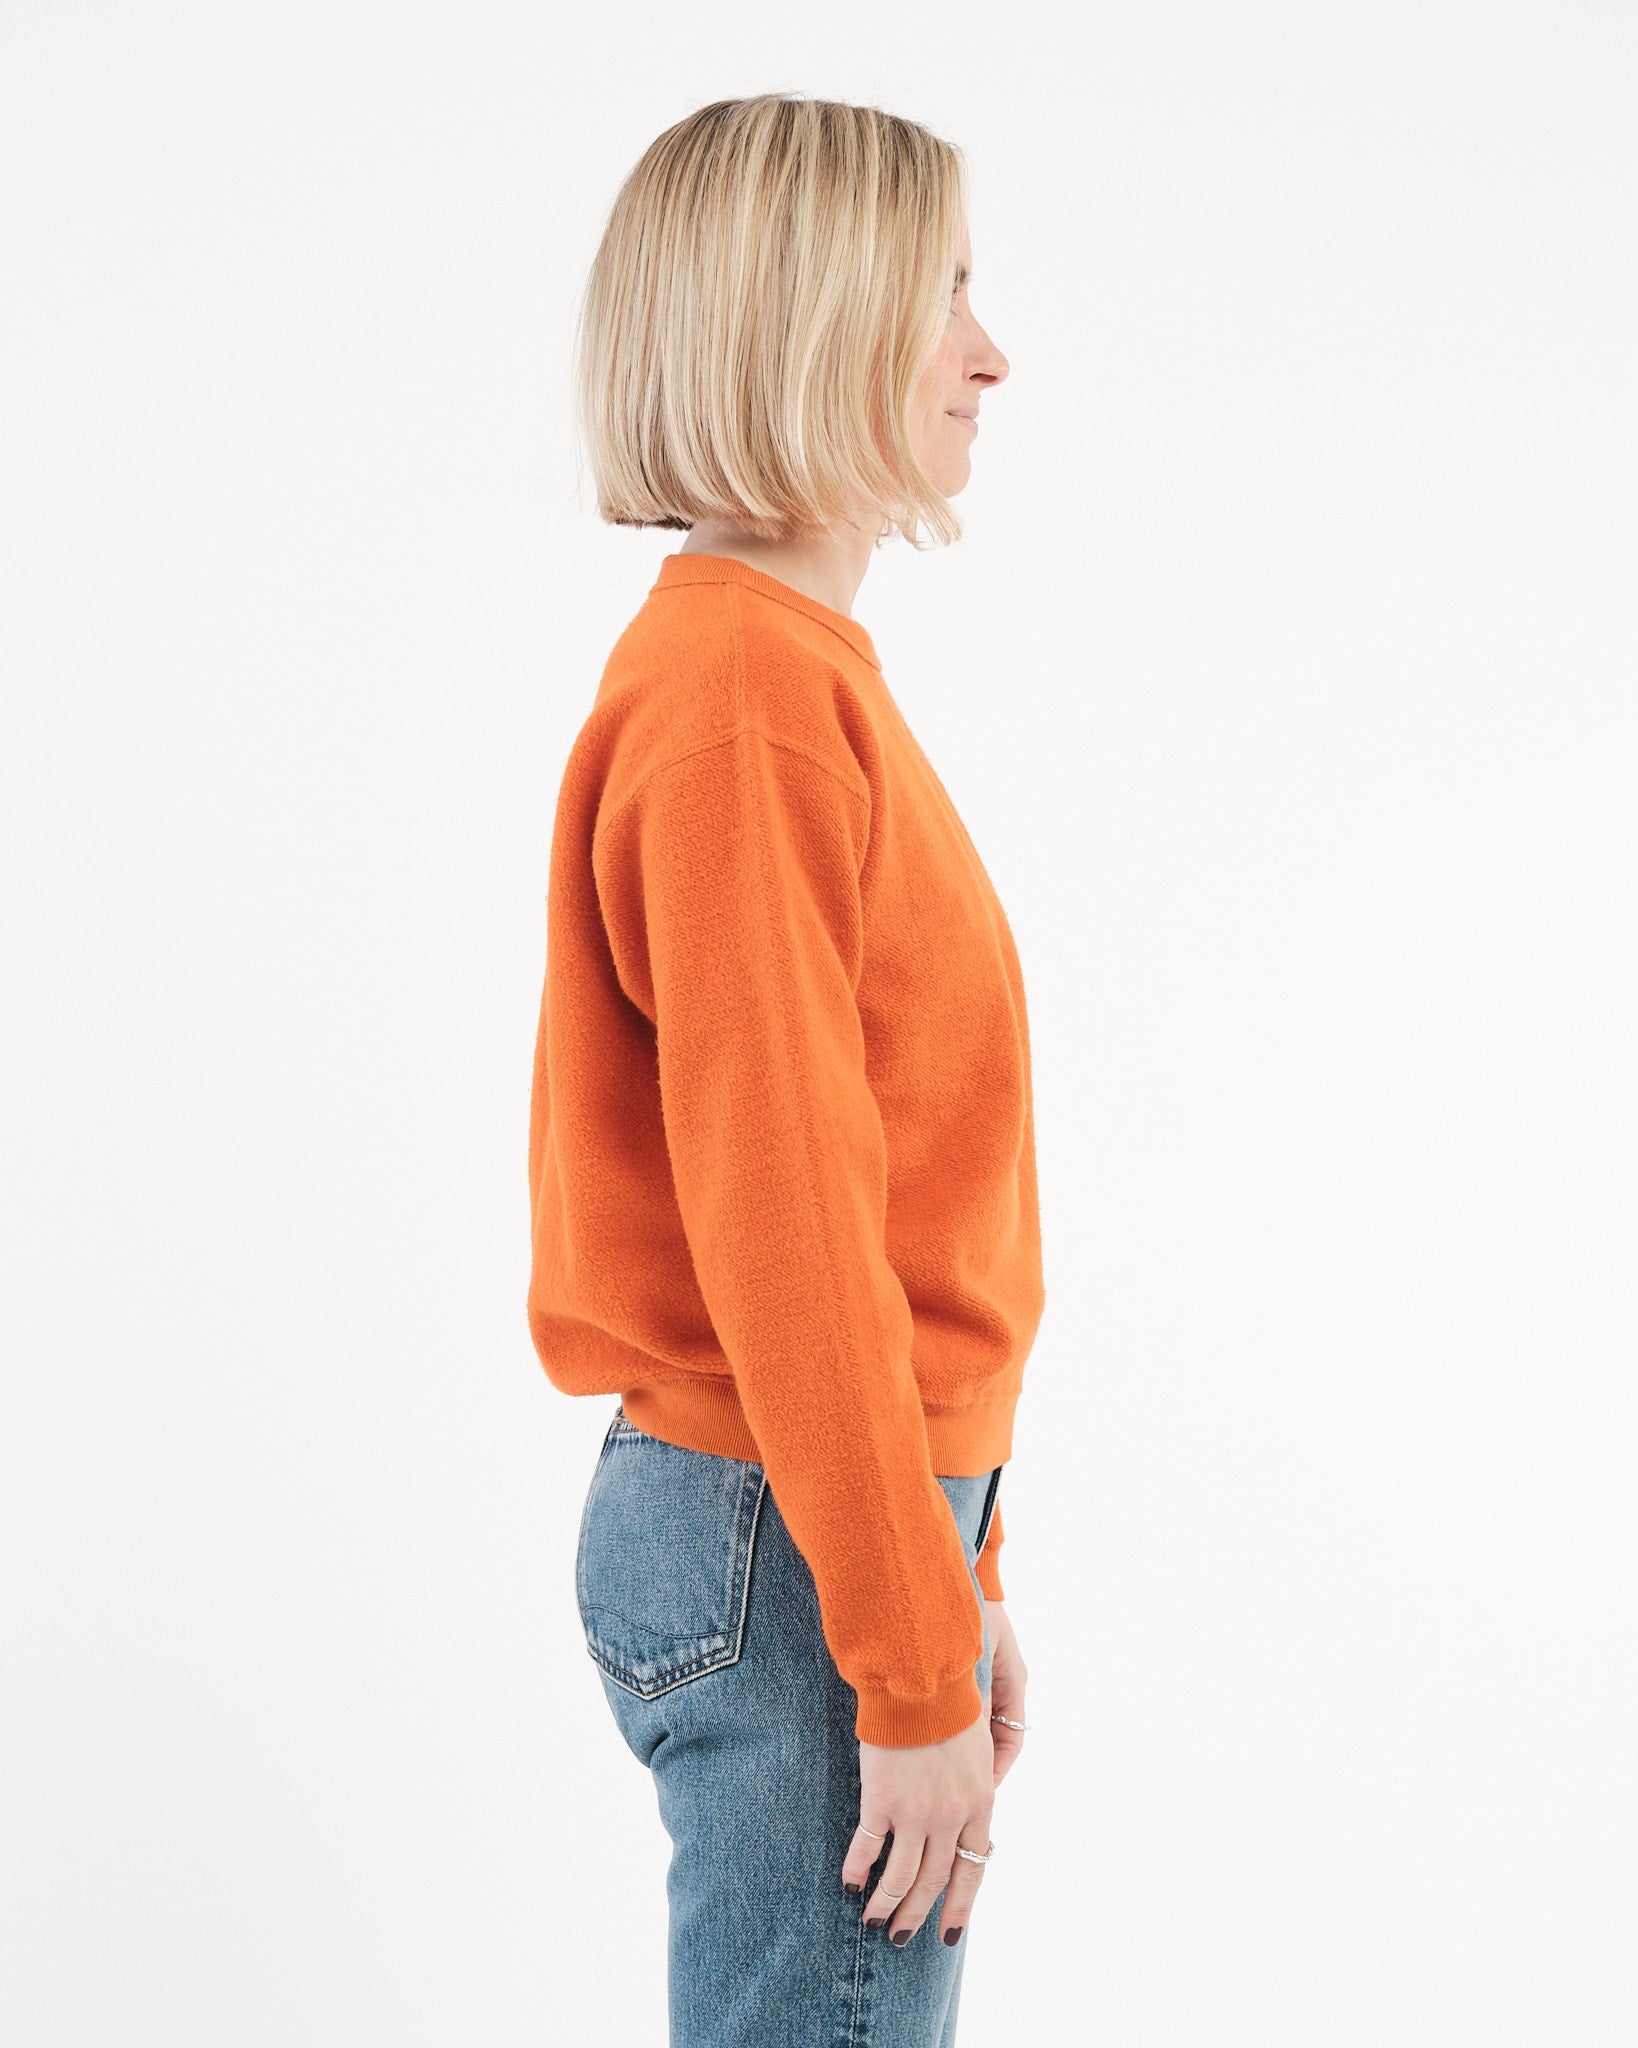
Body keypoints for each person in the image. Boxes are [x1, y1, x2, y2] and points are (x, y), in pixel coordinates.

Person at [525, 92, 1045, 2047]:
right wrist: (904, 1638)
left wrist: (959, 1575)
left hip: (821, 1526)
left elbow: (886, 1186)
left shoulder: (778, 674)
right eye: (943, 293)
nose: (988, 354)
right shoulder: (744, 698)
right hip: (786, 1535)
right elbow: (791, 1223)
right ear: (810, 318)